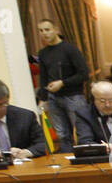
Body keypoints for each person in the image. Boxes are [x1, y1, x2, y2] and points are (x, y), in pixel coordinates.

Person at [35, 18, 90, 152]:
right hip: (53, 98)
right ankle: (66, 160)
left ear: (55, 30)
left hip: (73, 96)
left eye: (47, 30)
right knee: (61, 134)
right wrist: (43, 98)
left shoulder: (69, 49)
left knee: (81, 130)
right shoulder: (42, 53)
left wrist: (62, 83)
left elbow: (84, 74)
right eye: (41, 31)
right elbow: (43, 77)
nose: (44, 33)